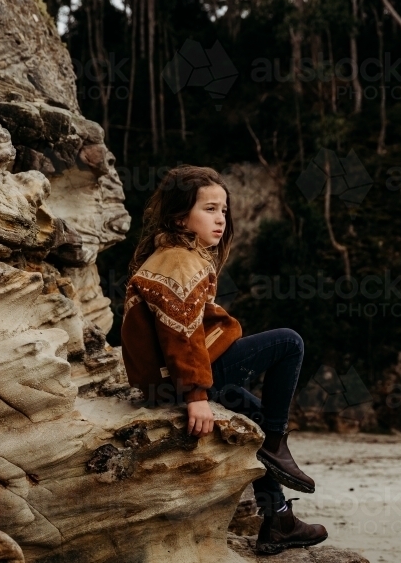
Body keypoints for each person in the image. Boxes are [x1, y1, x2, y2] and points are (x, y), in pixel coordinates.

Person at [120, 165, 328, 555]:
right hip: (178, 379)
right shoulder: (179, 260)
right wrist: (197, 396)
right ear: (181, 217)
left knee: (254, 421)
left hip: (169, 378)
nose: (220, 219)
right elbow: (180, 333)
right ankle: (278, 442)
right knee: (289, 342)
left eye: (224, 211)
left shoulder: (175, 255)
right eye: (210, 209)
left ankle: (278, 518)